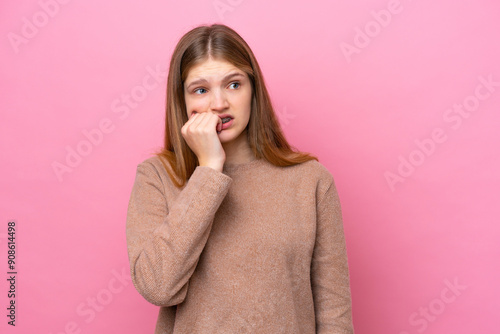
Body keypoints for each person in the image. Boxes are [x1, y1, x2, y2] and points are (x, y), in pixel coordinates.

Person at [126, 23, 354, 333]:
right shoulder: (157, 177)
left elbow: (334, 313)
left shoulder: (310, 180)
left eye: (234, 84)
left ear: (253, 90)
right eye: (201, 89)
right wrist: (208, 169)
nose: (219, 104)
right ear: (182, 101)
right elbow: (157, 286)